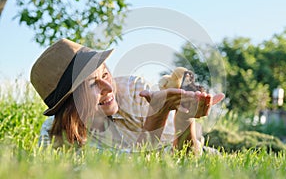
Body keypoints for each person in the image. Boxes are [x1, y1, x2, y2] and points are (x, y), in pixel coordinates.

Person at [31, 38, 223, 154]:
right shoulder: (55, 137)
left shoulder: (135, 90)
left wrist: (184, 118)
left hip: (202, 150)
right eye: (92, 83)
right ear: (70, 103)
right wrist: (157, 114)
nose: (108, 87)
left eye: (105, 74)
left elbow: (183, 160)